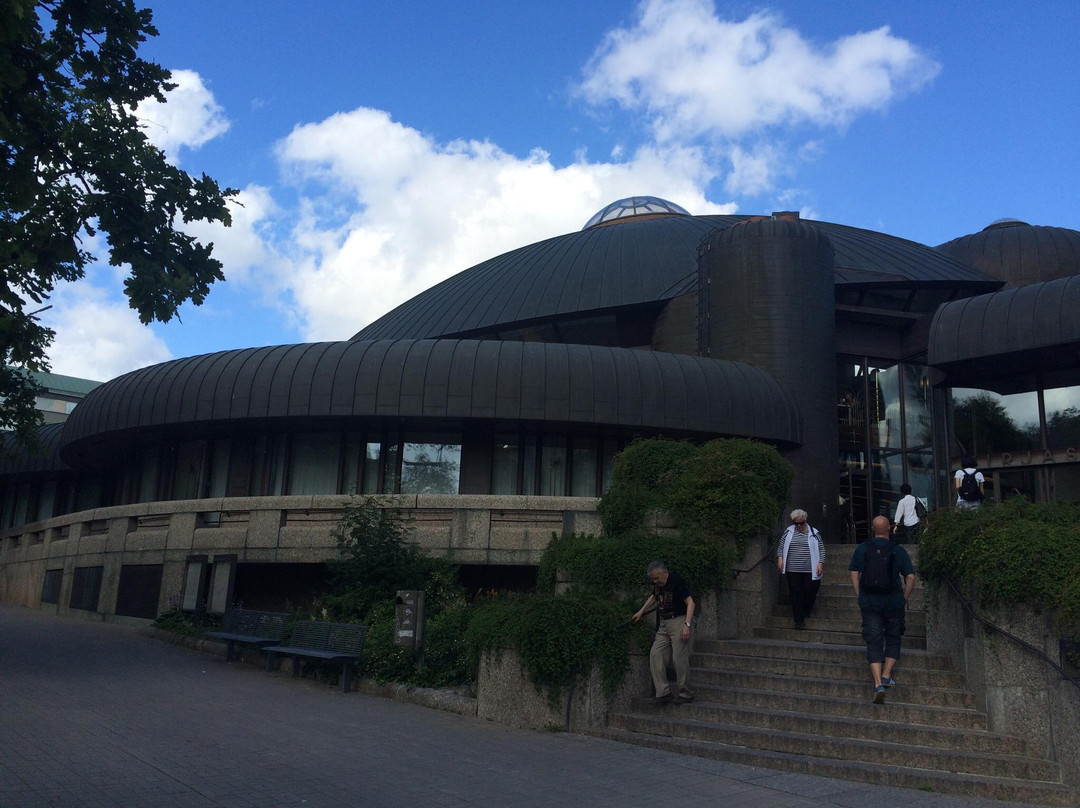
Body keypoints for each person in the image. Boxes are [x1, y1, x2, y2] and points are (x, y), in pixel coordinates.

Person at [848, 516, 916, 704]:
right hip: (893, 602)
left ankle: (877, 683)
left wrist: (859, 593)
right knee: (893, 637)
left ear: (872, 529)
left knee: (874, 639)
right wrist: (904, 597)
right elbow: (910, 576)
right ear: (889, 529)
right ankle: (886, 675)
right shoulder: (898, 550)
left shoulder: (862, 548)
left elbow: (854, 571)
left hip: (869, 602)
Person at [632, 560, 695, 705]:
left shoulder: (676, 581)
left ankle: (685, 693)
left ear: (664, 573)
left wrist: (687, 624)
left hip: (678, 620)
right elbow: (654, 596)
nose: (655, 581)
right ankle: (663, 692)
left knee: (679, 657)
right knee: (656, 653)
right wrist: (642, 611)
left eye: (656, 578)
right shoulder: (658, 585)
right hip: (664, 622)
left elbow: (691, 603)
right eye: (653, 579)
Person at [776, 509, 825, 630]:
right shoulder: (788, 532)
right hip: (793, 569)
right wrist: (780, 559)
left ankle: (805, 609)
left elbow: (821, 549)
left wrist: (820, 563)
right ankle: (798, 620)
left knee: (811, 589)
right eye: (796, 523)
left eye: (801, 523)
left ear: (805, 521)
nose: (798, 526)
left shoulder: (814, 533)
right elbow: (781, 547)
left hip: (809, 568)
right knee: (796, 593)